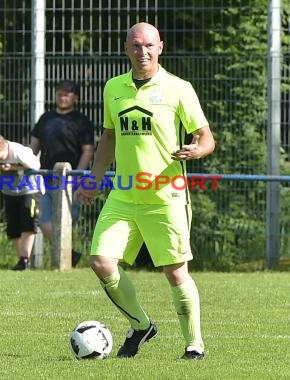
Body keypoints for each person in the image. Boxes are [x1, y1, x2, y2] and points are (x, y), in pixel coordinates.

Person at [76, 22, 215, 360]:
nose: (143, 52)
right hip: (124, 193)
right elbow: (108, 137)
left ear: (160, 48)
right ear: (126, 49)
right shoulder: (113, 88)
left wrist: (196, 150)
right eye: (136, 45)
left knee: (175, 270)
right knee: (100, 261)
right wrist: (94, 177)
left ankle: (194, 345)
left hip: (166, 195)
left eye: (149, 45)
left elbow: (206, 138)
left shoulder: (179, 88)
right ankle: (141, 325)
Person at [30, 80, 95, 267]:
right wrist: (27, 167)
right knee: (43, 221)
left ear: (76, 97)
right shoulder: (46, 118)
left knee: (65, 222)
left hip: (70, 180)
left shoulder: (82, 121)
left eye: (67, 94)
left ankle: (65, 260)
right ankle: (70, 255)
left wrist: (77, 176)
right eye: (59, 93)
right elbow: (33, 147)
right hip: (46, 179)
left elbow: (88, 151)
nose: (62, 96)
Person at [0, 132, 42, 271]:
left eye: (0, 158)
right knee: (13, 227)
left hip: (30, 189)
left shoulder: (18, 151)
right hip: (9, 191)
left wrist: (12, 167)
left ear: (4, 146)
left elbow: (37, 165)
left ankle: (24, 259)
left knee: (28, 223)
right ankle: (22, 260)